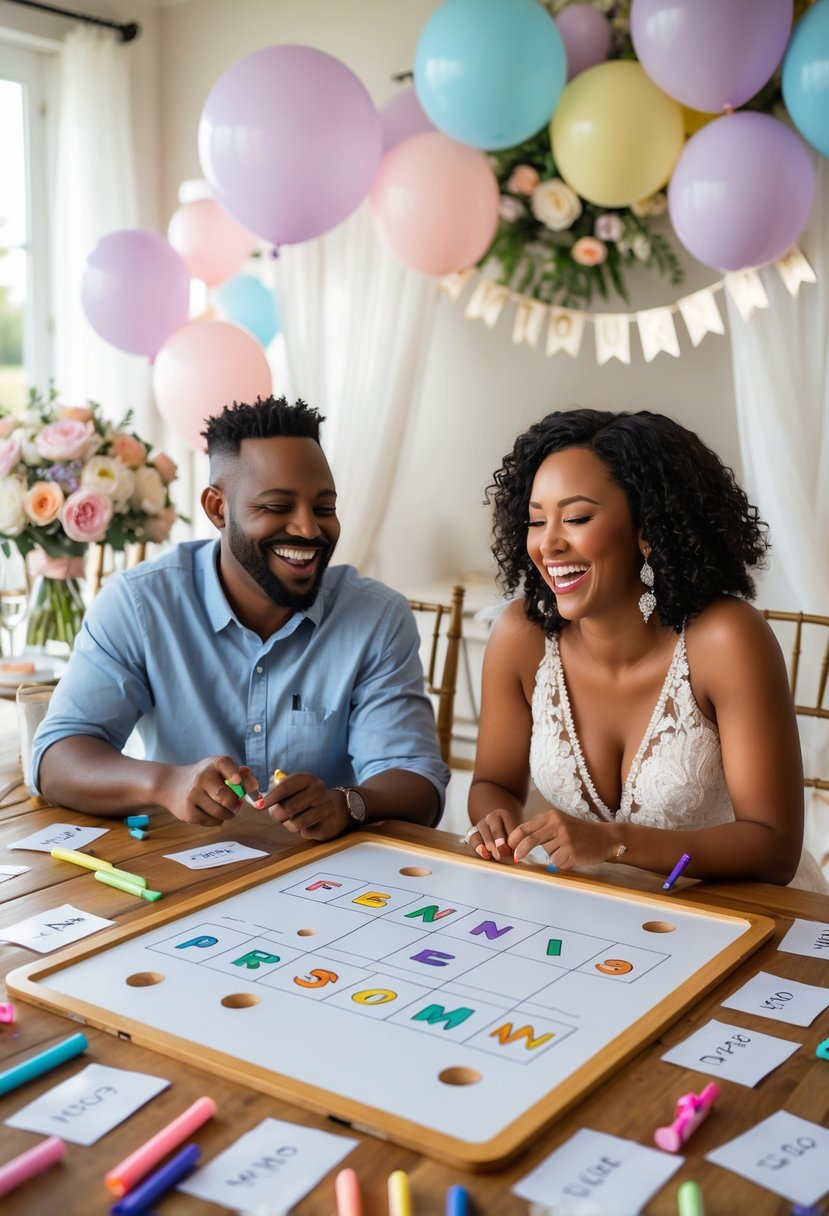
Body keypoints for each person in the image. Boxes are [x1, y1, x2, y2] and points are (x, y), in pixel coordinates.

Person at [32, 396, 449, 840]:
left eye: (324, 508)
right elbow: (55, 759)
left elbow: (418, 781)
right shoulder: (138, 604)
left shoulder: (377, 618)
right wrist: (164, 783)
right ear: (217, 508)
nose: (309, 529)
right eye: (276, 507)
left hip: (324, 882)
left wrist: (347, 803)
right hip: (180, 873)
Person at [464, 407, 826, 892]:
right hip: (591, 911)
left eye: (575, 517)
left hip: (736, 909)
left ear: (648, 531)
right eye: (535, 521)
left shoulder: (727, 639)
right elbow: (494, 784)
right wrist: (498, 824)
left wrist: (613, 843)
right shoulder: (520, 637)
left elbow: (774, 848)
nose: (548, 544)